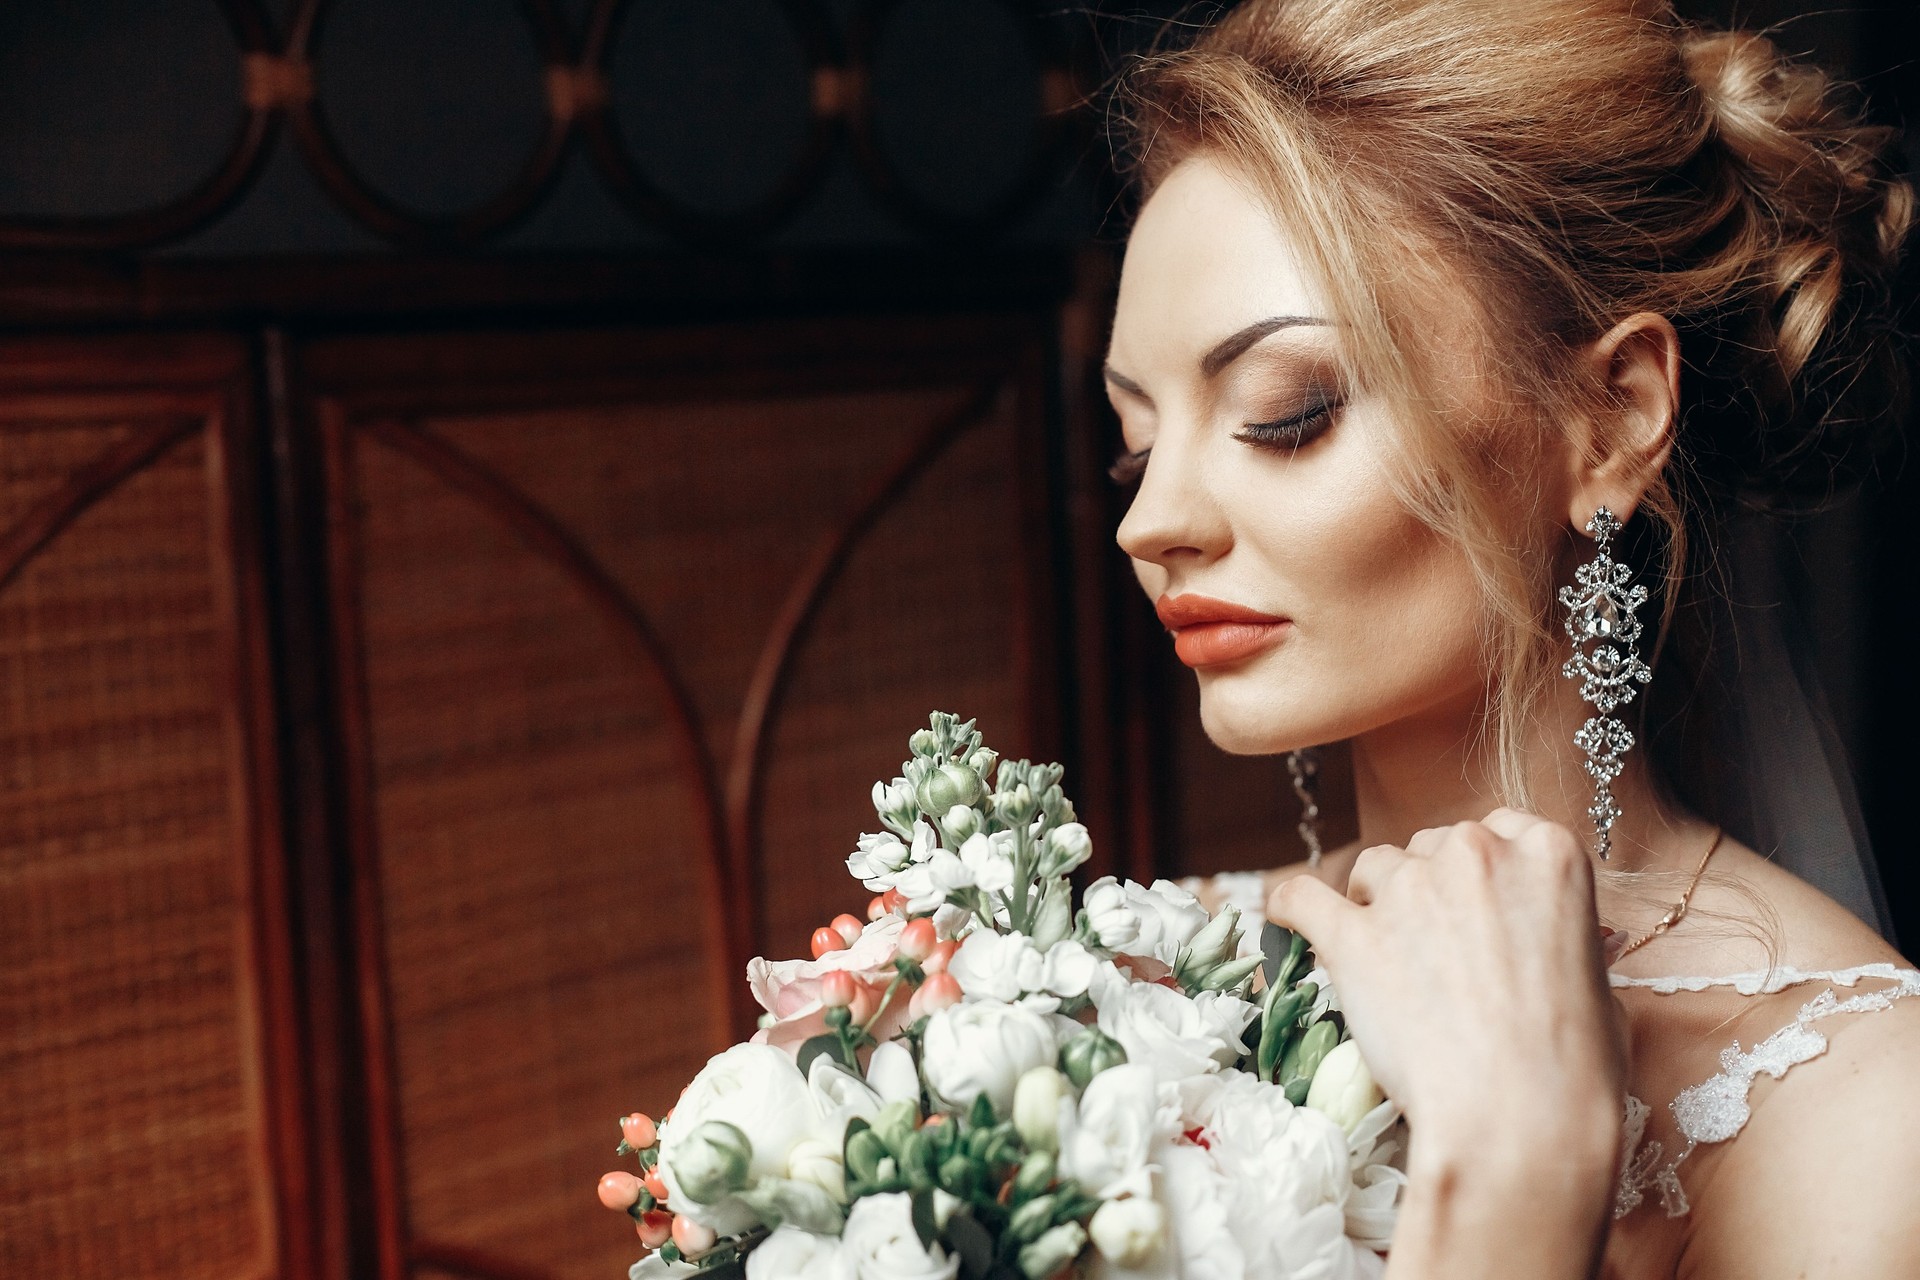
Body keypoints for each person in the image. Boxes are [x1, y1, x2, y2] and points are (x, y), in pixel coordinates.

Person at [1100, 1, 1920, 1275]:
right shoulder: (1130, 987)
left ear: (1610, 419)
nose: (1152, 522)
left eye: (1286, 412)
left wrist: (1521, 1174)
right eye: (1137, 443)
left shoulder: (1862, 1108)